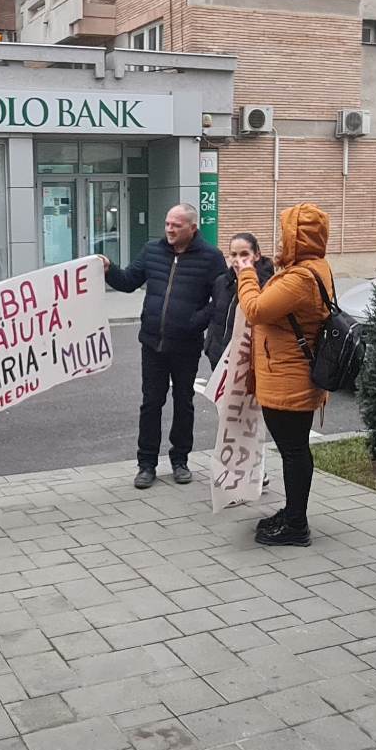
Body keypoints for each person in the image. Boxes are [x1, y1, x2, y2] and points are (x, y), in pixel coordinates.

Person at [228, 204, 335, 546]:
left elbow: (256, 309)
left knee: (293, 450)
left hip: (290, 379)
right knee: (295, 448)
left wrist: (246, 273)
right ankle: (292, 513)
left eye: (285, 233)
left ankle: (296, 525)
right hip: (291, 373)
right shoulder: (312, 267)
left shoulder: (300, 278)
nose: (280, 239)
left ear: (299, 238)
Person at [105, 204, 225, 489]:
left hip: (186, 345)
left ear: (192, 228)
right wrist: (109, 269)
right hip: (152, 343)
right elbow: (128, 282)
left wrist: (195, 321)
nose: (169, 229)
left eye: (176, 225)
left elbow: (221, 299)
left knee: (184, 402)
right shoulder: (152, 251)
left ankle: (180, 461)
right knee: (151, 403)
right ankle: (146, 465)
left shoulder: (211, 257)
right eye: (168, 224)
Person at [204, 233, 273, 367]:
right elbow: (216, 316)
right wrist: (210, 347)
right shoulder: (222, 282)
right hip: (218, 359)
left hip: (246, 362)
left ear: (257, 255)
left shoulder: (267, 285)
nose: (238, 260)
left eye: (244, 254)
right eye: (234, 255)